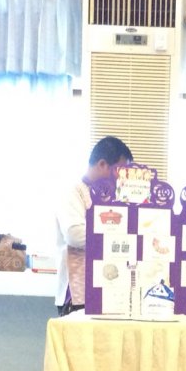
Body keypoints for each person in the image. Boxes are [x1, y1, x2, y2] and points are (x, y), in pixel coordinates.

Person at [54, 135, 133, 315]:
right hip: (78, 295)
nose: (122, 178)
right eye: (120, 171)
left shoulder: (114, 196)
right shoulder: (73, 193)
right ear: (103, 164)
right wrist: (120, 237)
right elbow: (74, 234)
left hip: (111, 290)